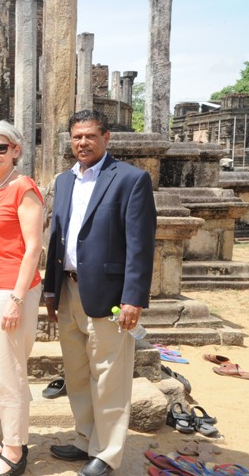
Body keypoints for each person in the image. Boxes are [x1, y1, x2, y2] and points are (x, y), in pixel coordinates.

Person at [43, 109, 157, 476]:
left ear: (106, 138)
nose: (83, 143)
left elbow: (140, 244)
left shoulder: (130, 180)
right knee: (76, 373)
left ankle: (106, 454)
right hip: (68, 290)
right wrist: (50, 291)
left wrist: (134, 298)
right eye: (77, 137)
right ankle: (84, 439)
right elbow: (56, 239)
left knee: (109, 377)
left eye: (90, 136)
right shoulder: (63, 181)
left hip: (109, 296)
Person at [0, 122, 44, 476]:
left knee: (11, 370)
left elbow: (33, 248)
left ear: (17, 149)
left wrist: (16, 298)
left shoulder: (24, 188)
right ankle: (10, 436)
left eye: (0, 148)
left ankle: (15, 451)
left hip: (13, 289)